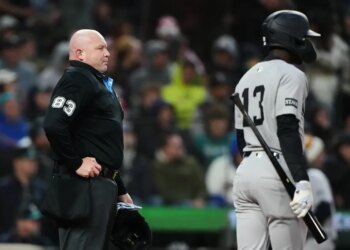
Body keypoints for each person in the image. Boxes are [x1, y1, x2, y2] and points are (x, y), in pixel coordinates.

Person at [233, 10, 320, 249]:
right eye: (304, 37)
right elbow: (287, 128)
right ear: (292, 38)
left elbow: (241, 138)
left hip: (246, 173)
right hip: (278, 168)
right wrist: (301, 180)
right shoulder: (292, 74)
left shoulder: (245, 77)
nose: (307, 42)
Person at [43, 29, 133, 250]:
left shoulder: (95, 82)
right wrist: (76, 163)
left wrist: (119, 187)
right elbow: (54, 124)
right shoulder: (77, 78)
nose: (108, 53)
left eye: (107, 48)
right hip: (84, 188)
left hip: (101, 185)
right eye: (100, 48)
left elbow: (100, 142)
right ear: (80, 53)